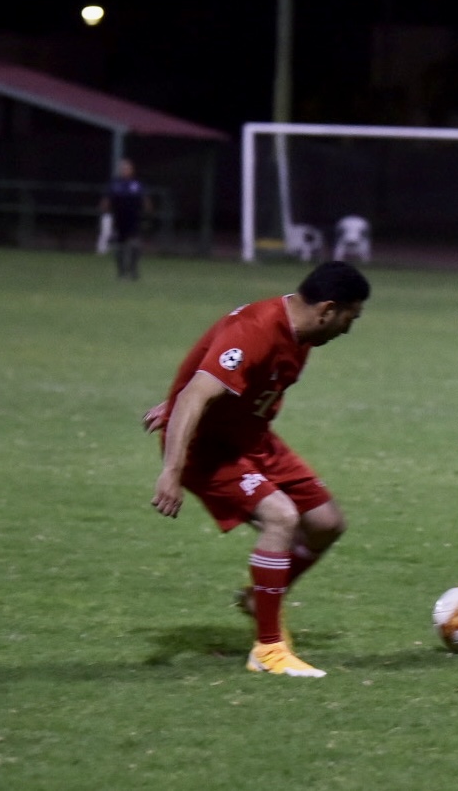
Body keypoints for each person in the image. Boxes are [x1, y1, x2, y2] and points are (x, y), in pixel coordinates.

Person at [146, 260, 371, 677]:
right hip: (209, 450)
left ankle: (261, 597)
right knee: (281, 517)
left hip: (251, 436)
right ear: (327, 310)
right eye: (348, 318)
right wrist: (171, 472)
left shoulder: (300, 330)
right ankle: (268, 650)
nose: (346, 330)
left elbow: (210, 374)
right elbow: (198, 393)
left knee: (326, 523)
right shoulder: (256, 330)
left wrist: (182, 398)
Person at [98, 157, 151, 280]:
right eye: (123, 168)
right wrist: (105, 211)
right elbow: (106, 200)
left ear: (132, 170)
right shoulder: (115, 184)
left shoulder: (137, 184)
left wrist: (148, 213)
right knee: (120, 246)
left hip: (133, 218)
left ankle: (133, 269)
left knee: (135, 245)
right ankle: (121, 272)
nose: (125, 170)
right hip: (119, 219)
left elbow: (145, 200)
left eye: (127, 168)